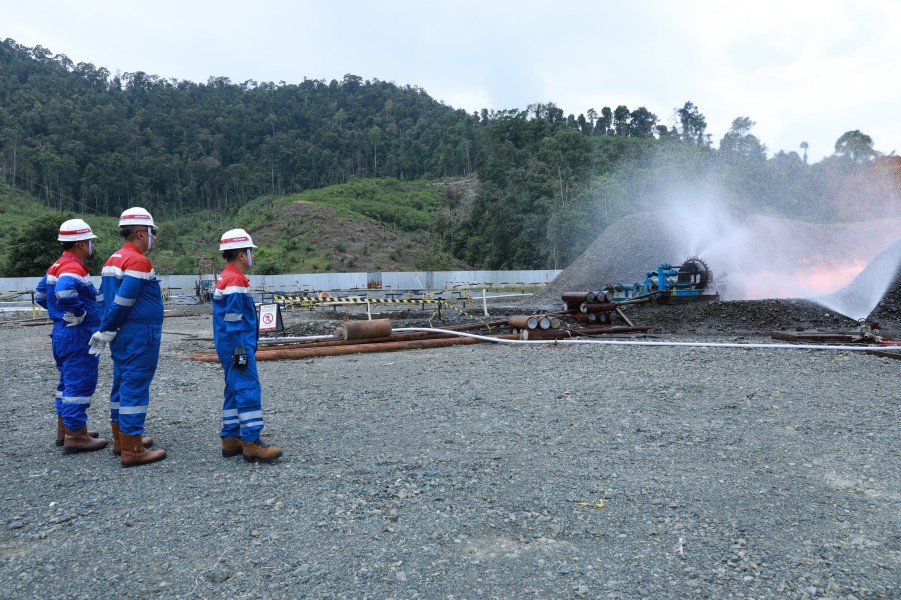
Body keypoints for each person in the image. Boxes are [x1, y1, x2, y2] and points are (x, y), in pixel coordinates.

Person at [89, 207, 165, 467]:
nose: (153, 238)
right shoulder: (137, 261)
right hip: (138, 332)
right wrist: (109, 324)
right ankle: (132, 449)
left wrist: (107, 326)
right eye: (152, 233)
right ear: (142, 232)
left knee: (122, 383)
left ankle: (122, 439)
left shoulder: (112, 260)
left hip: (123, 332)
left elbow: (101, 298)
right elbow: (125, 299)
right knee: (135, 387)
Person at [35, 219, 107, 453]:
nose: (91, 246)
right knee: (80, 382)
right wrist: (78, 312)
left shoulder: (55, 266)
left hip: (62, 332)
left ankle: (66, 429)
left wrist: (58, 315)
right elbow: (64, 291)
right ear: (80, 243)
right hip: (78, 333)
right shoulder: (73, 268)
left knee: (66, 383)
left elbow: (40, 295)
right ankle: (76, 436)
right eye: (89, 242)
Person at [213, 229, 282, 463]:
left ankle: (230, 438)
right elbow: (233, 321)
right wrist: (241, 350)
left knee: (234, 389)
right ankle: (252, 443)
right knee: (248, 388)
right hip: (236, 346)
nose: (252, 256)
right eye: (250, 252)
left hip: (230, 346)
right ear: (242, 255)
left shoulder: (228, 276)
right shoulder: (235, 280)